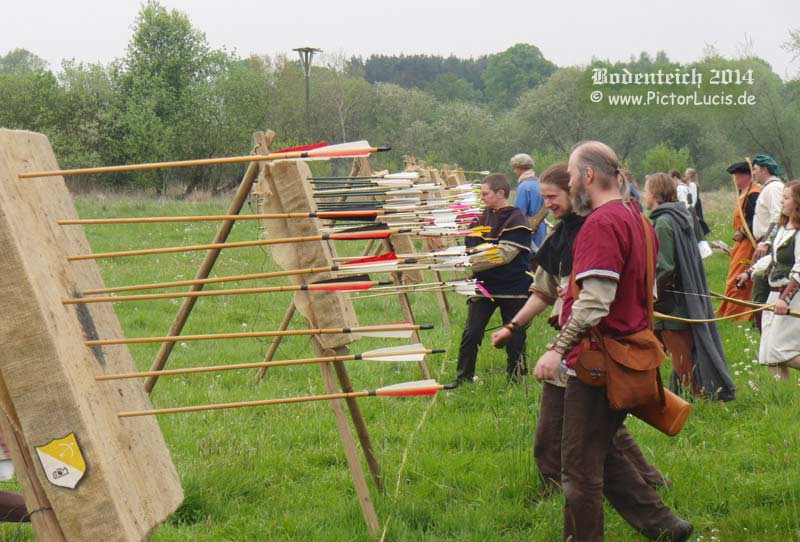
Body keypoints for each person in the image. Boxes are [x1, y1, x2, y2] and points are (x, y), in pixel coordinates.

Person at [533, 141, 692, 542]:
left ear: (587, 176)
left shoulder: (602, 224)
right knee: (600, 451)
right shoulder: (637, 218)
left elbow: (594, 304)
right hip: (625, 355)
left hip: (600, 362)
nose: (568, 185)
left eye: (570, 176)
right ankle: (664, 527)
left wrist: (556, 349)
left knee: (579, 472)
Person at [490, 163, 670, 495]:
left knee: (592, 437)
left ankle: (639, 499)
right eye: (543, 198)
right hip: (572, 347)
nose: (548, 205)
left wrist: (577, 297)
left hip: (598, 347)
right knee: (583, 434)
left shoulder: (604, 228)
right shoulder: (563, 234)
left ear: (575, 190)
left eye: (553, 196)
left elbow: (621, 292)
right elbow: (543, 291)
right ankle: (640, 494)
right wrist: (513, 326)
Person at [643, 173, 735, 400]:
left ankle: (697, 401)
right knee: (674, 355)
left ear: (654, 193)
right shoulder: (676, 215)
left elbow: (664, 266)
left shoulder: (664, 221)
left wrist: (647, 291)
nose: (644, 195)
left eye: (646, 190)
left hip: (672, 302)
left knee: (681, 359)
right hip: (678, 299)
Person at [454, 173, 532, 385]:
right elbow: (468, 247)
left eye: (486, 194)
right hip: (484, 286)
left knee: (515, 335)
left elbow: (504, 254)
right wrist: (458, 256)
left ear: (501, 193)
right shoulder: (479, 218)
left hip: (513, 286)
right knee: (472, 333)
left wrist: (468, 262)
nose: (482, 198)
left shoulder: (517, 218)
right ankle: (464, 378)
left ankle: (517, 378)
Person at [737, 181, 800, 380]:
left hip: (791, 296)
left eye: (787, 198)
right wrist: (749, 272)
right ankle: (781, 395)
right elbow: (771, 258)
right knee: (768, 352)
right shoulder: (782, 227)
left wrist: (785, 299)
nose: (782, 201)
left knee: (780, 351)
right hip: (774, 295)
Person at [717, 161, 762, 320]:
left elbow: (756, 219)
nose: (735, 180)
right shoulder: (746, 192)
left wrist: (742, 232)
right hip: (741, 243)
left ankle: (737, 314)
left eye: (737, 176)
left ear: (746, 176)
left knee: (739, 276)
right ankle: (730, 310)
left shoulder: (754, 194)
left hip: (749, 243)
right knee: (733, 275)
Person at [750, 154, 786, 330]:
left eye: (755, 170)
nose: (753, 173)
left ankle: (767, 330)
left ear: (764, 170)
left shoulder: (774, 188)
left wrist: (765, 243)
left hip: (770, 245)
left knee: (761, 291)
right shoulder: (769, 187)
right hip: (765, 242)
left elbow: (778, 218)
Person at [510, 154, 548, 253]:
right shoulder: (540, 183)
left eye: (515, 168)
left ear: (520, 168)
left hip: (530, 230)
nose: (514, 171)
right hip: (542, 228)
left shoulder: (524, 187)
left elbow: (519, 213)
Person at [684, 168, 710, 235]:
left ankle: (703, 231)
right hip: (693, 203)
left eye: (687, 173)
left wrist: (692, 206)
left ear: (690, 175)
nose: (685, 175)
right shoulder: (689, 184)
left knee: (697, 219)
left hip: (695, 203)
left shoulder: (693, 184)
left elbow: (694, 196)